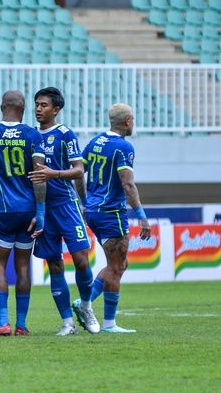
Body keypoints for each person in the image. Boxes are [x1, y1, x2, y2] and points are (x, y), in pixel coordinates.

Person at [0, 90, 47, 336]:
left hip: (3, 210)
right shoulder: (32, 134)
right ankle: (21, 325)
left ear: (1, 106)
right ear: (24, 108)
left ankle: (3, 321)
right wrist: (41, 212)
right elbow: (39, 175)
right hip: (28, 210)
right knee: (23, 267)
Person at [29, 87, 99, 336]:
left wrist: (54, 174)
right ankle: (67, 322)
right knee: (55, 265)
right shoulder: (30, 136)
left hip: (66, 206)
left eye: (44, 105)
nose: (38, 108)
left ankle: (86, 306)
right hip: (43, 208)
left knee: (81, 260)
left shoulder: (65, 134)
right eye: (36, 104)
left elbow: (79, 170)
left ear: (56, 109)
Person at [76, 103, 151, 333]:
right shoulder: (123, 148)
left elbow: (79, 173)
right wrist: (142, 216)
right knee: (116, 266)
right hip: (111, 212)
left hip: (94, 212)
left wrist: (85, 201)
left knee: (119, 264)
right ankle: (103, 318)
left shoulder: (95, 142)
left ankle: (86, 303)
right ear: (128, 121)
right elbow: (127, 184)